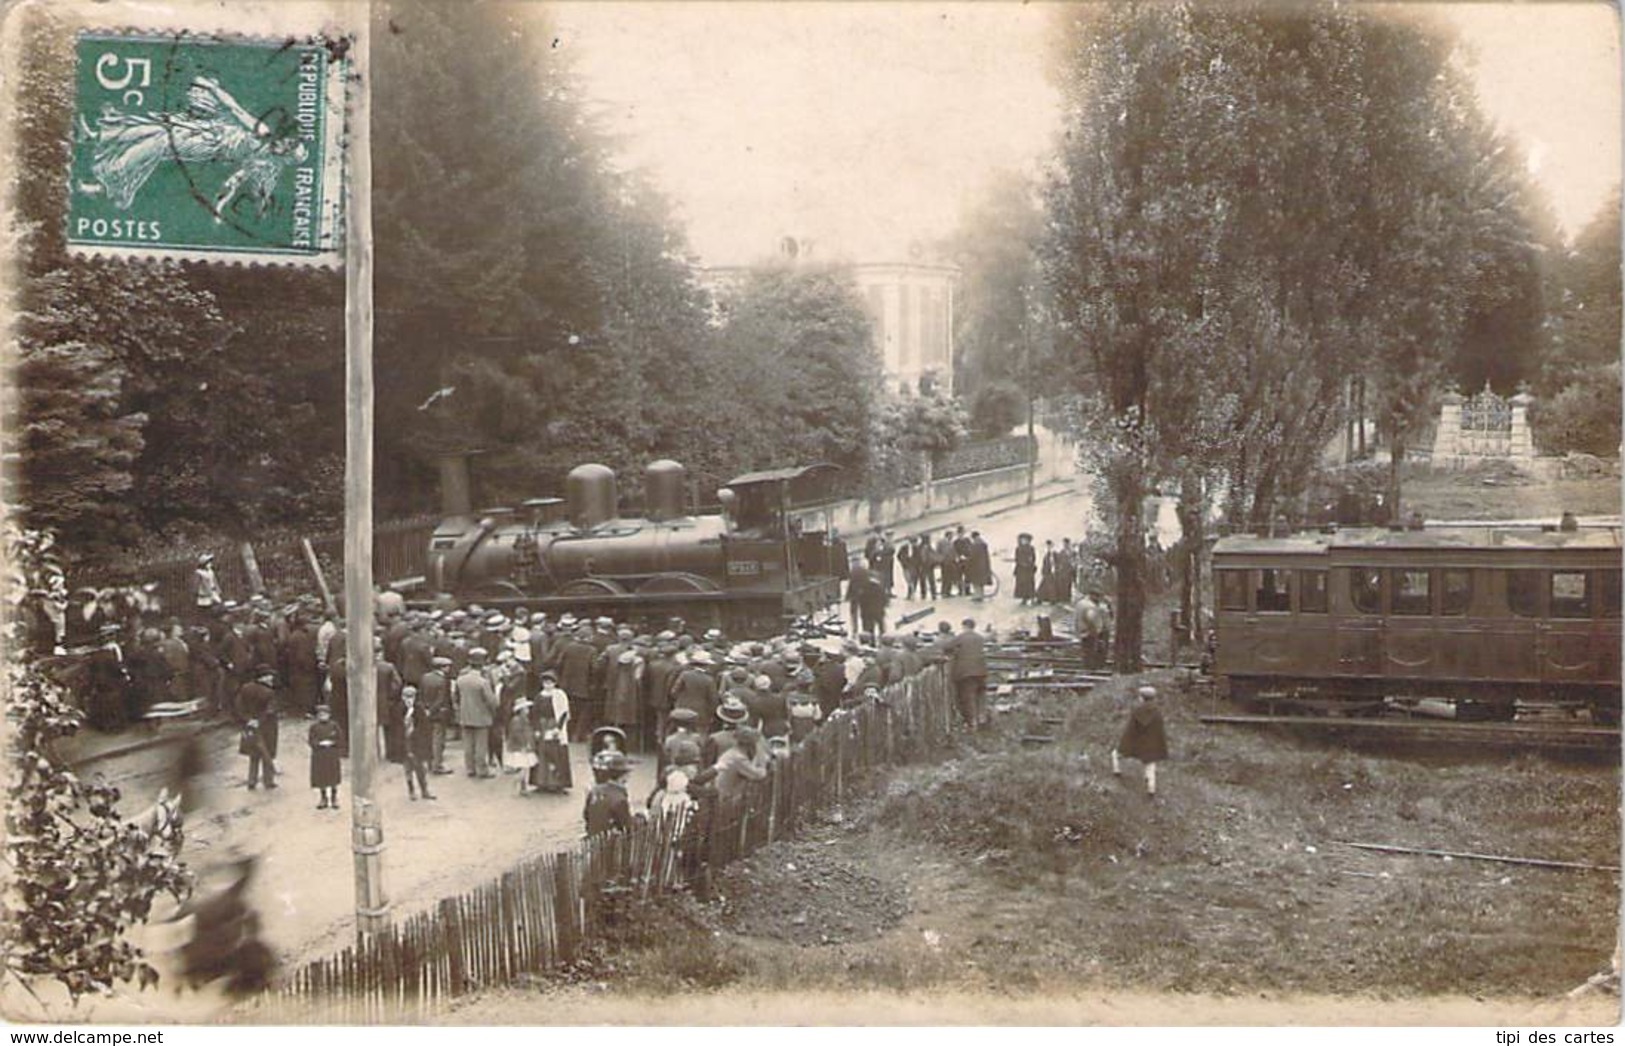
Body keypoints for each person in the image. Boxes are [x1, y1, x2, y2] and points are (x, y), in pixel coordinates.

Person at [1113, 685, 1169, 797]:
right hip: (1152, 745)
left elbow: (1130, 730)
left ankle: (1116, 770)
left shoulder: (1137, 712)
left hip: (1138, 744)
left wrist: (1125, 745)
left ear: (1142, 698)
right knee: (1150, 765)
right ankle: (1151, 788)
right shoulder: (1158, 713)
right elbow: (1160, 731)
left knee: (1116, 754)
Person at [455, 648, 497, 779]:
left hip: (465, 714)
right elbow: (491, 701)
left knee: (468, 744)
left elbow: (455, 697)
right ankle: (482, 770)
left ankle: (470, 768)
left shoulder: (460, 679)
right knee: (481, 745)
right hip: (481, 716)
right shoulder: (483, 682)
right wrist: (494, 711)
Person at [237, 665, 279, 790]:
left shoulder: (245, 688)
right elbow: (270, 710)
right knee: (267, 752)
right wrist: (259, 721)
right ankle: (268, 780)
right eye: (269, 675)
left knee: (254, 754)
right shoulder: (269, 692)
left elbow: (238, 706)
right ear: (263, 677)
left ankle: (252, 780)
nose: (271, 678)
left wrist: (249, 719)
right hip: (267, 726)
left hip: (250, 725)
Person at [532, 670, 573, 793]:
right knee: (542, 753)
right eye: (545, 683)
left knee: (556, 754)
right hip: (543, 725)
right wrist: (537, 729)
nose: (548, 685)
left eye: (550, 683)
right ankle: (541, 782)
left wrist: (558, 728)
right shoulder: (539, 696)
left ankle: (558, 783)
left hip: (554, 725)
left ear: (555, 683)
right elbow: (535, 714)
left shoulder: (560, 695)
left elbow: (564, 713)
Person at [945, 618, 989, 731]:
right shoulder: (980, 638)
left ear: (964, 626)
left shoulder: (961, 637)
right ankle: (982, 718)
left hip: (966, 672)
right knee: (980, 695)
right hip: (981, 670)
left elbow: (947, 647)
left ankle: (972, 723)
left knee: (968, 697)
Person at [583, 751, 635, 835]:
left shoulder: (594, 791)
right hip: (610, 842)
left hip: (592, 837)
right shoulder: (620, 799)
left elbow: (586, 815)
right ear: (623, 776)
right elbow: (627, 827)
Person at [402, 686, 438, 801]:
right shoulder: (399, 710)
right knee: (408, 768)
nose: (409, 700)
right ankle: (411, 790)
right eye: (406, 697)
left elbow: (425, 728)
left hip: (417, 743)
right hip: (405, 743)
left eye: (411, 697)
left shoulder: (419, 710)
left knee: (420, 768)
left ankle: (424, 790)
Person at [308, 704, 342, 809]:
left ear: (329, 715)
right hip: (319, 756)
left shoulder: (334, 726)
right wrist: (319, 744)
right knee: (321, 777)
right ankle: (323, 798)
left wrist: (332, 743)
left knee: (333, 777)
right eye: (321, 714)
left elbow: (340, 738)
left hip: (332, 755)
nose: (323, 716)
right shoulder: (314, 727)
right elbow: (311, 740)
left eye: (325, 714)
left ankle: (334, 797)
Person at [504, 696, 539, 795]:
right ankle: (514, 785)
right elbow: (517, 734)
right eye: (526, 708)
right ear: (521, 710)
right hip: (520, 748)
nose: (528, 710)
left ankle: (523, 788)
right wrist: (524, 744)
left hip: (522, 746)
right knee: (523, 769)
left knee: (524, 768)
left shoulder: (522, 719)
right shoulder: (517, 721)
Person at [1013, 533, 1038, 605]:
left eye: (1025, 540)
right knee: (1022, 584)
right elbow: (1017, 558)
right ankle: (1024, 598)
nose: (1023, 541)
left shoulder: (1031, 548)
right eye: (1022, 540)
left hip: (1029, 569)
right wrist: (1021, 563)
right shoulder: (1018, 549)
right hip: (1021, 569)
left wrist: (1029, 563)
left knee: (1030, 583)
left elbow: (1033, 557)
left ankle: (1032, 597)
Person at [968, 531, 992, 600]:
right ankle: (981, 594)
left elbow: (972, 556)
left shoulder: (975, 545)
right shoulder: (983, 544)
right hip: (984, 565)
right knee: (981, 581)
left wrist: (968, 561)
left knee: (976, 581)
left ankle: (977, 595)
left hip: (976, 566)